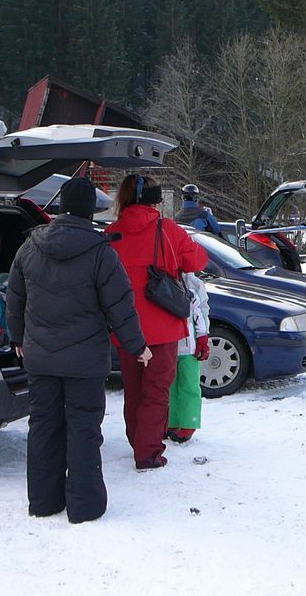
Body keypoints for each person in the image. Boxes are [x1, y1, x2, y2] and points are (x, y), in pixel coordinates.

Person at [6, 177, 151, 523]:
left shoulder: (29, 247)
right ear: (89, 212)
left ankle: (43, 502)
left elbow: (15, 299)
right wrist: (138, 347)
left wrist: (18, 339)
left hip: (40, 358)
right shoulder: (101, 253)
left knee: (43, 427)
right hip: (85, 363)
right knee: (84, 429)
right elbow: (120, 306)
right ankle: (84, 507)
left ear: (60, 207)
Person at [105, 174, 208, 470]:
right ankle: (147, 452)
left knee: (134, 390)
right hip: (163, 325)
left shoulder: (112, 233)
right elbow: (198, 261)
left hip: (125, 327)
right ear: (156, 201)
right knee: (157, 391)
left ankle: (137, 440)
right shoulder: (168, 230)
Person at [166, 272, 210, 443]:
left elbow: (200, 312)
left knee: (189, 385)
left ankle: (188, 422)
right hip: (168, 343)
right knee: (170, 385)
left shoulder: (193, 284)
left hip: (189, 347)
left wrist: (202, 337)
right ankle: (172, 421)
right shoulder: (162, 278)